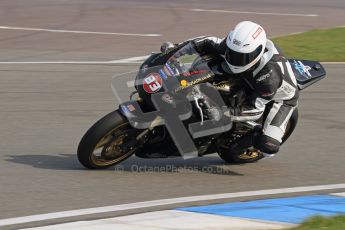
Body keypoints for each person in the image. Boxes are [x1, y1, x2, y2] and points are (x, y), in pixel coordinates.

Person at [162, 21, 299, 157]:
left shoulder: (269, 78)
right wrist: (176, 51)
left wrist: (223, 113)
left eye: (240, 57)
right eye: (231, 52)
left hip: (279, 98)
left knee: (267, 145)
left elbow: (254, 110)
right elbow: (206, 42)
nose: (233, 59)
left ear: (256, 54)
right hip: (247, 75)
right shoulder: (235, 47)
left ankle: (246, 140)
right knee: (208, 64)